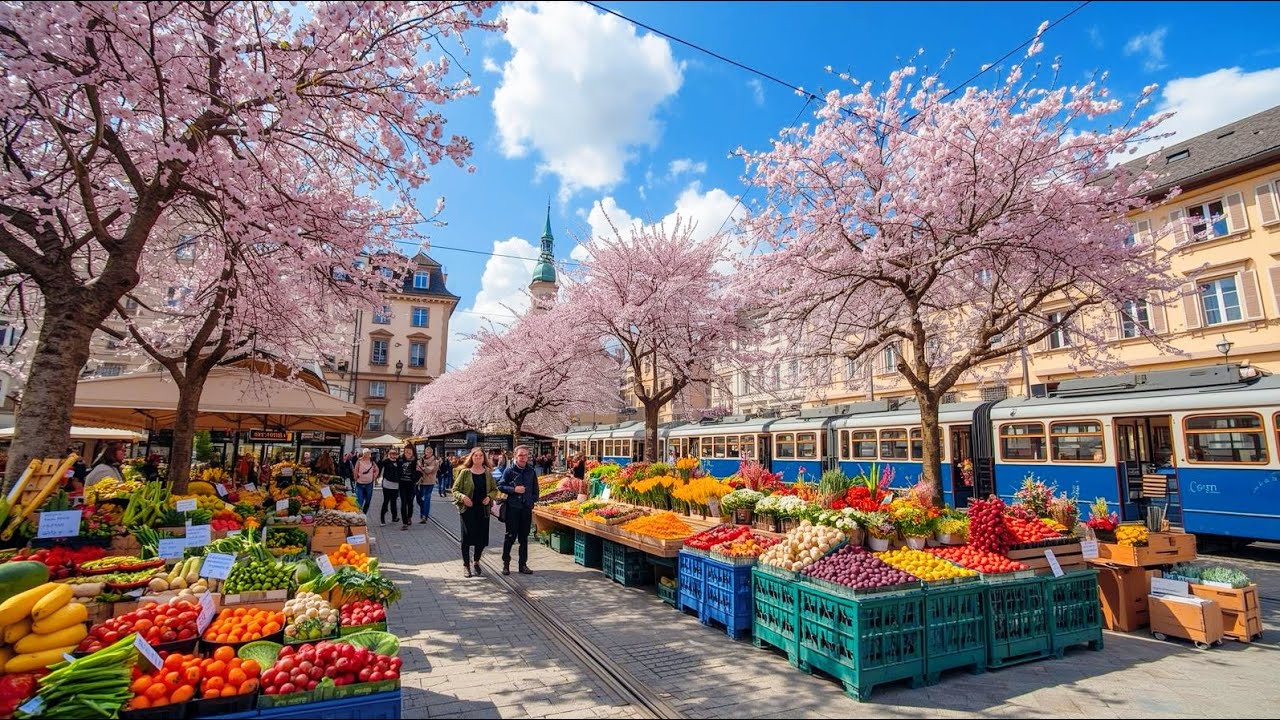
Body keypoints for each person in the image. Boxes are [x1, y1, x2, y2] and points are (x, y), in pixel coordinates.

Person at [452, 447, 500, 578]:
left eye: (480, 456)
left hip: (482, 509)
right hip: (467, 510)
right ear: (471, 457)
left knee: (481, 539)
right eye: (475, 455)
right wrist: (463, 498)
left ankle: (476, 561)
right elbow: (455, 490)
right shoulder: (465, 472)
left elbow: (494, 490)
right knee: (467, 538)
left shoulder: (487, 473)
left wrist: (489, 497)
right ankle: (466, 565)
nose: (478, 458)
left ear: (484, 458)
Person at [498, 445, 540, 576]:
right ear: (516, 456)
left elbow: (535, 489)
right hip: (513, 508)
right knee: (510, 536)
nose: (523, 458)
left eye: (525, 455)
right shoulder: (509, 470)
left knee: (524, 537)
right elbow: (501, 485)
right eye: (521, 455)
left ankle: (523, 565)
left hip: (526, 508)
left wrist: (532, 500)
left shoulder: (531, 471)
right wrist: (514, 490)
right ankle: (506, 564)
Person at [396, 445, 422, 530]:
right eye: (406, 451)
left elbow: (420, 472)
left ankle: (409, 517)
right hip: (402, 483)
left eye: (409, 452)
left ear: (413, 452)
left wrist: (417, 478)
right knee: (403, 502)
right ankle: (404, 523)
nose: (407, 453)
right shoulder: (400, 460)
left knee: (410, 502)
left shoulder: (416, 461)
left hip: (411, 484)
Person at [377, 447, 402, 526]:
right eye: (391, 454)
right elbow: (379, 465)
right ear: (389, 454)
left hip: (396, 485)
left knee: (394, 502)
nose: (393, 455)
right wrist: (385, 458)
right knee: (386, 501)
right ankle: (382, 519)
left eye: (394, 454)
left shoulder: (399, 462)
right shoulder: (386, 462)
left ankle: (394, 517)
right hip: (387, 484)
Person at [417, 447, 441, 523]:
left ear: (432, 453)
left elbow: (430, 471)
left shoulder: (435, 461)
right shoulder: (421, 459)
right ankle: (424, 512)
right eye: (426, 452)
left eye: (429, 452)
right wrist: (423, 468)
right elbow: (417, 468)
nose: (427, 453)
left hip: (430, 482)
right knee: (419, 498)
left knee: (427, 499)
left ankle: (424, 516)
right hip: (422, 481)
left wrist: (422, 468)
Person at [353, 449, 378, 513]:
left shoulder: (372, 462)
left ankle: (364, 513)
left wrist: (373, 478)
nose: (367, 454)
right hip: (359, 484)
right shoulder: (359, 461)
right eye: (366, 453)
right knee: (359, 500)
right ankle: (358, 514)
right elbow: (355, 471)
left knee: (368, 500)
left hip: (369, 484)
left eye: (368, 453)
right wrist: (356, 478)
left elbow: (377, 470)